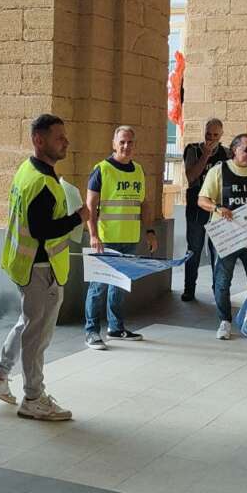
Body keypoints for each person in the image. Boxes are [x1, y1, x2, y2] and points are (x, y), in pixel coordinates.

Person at [0, 114, 89, 421]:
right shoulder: (43, 182)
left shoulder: (28, 169)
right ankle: (34, 397)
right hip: (41, 269)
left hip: (24, 264)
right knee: (37, 336)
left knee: (28, 323)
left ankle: (0, 375)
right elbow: (42, 230)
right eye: (58, 137)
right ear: (39, 140)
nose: (66, 142)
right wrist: (78, 218)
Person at [83, 125, 158, 350]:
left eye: (130, 142)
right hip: (106, 239)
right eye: (122, 142)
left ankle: (115, 328)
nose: (126, 146)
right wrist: (94, 235)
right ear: (114, 144)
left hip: (130, 239)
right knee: (98, 286)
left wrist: (150, 232)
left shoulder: (138, 170)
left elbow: (144, 204)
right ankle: (91, 331)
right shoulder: (102, 170)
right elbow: (90, 206)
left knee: (119, 286)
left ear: (135, 145)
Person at [198, 133, 247, 340]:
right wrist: (217, 208)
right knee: (222, 282)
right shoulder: (218, 171)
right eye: (246, 149)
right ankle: (225, 321)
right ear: (234, 149)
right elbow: (202, 200)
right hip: (226, 239)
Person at [181, 118, 228, 301]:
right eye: (208, 134)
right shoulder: (193, 150)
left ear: (221, 135)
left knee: (218, 251)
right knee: (194, 249)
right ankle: (189, 288)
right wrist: (206, 155)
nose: (211, 138)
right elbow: (191, 177)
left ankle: (219, 291)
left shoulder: (226, 153)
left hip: (217, 209)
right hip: (196, 208)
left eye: (216, 135)